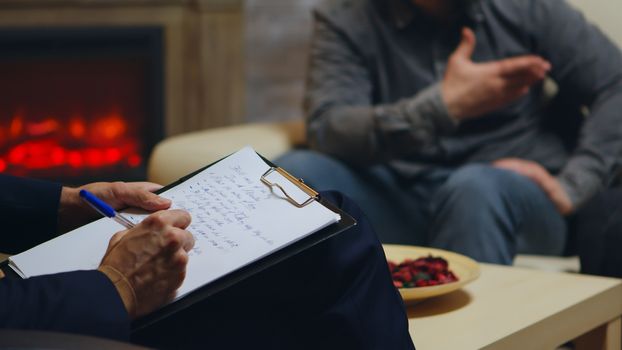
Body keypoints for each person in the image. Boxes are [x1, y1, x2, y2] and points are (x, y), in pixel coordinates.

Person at [276, 0, 622, 264]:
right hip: (399, 194)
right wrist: (442, 107)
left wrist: (574, 183)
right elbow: (328, 127)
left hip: (505, 192)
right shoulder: (348, 15)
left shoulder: (526, 7)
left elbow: (615, 83)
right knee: (290, 177)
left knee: (474, 189)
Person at [0, 174, 414, 349]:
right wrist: (116, 285)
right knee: (332, 238)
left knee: (326, 220)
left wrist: (64, 205)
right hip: (44, 315)